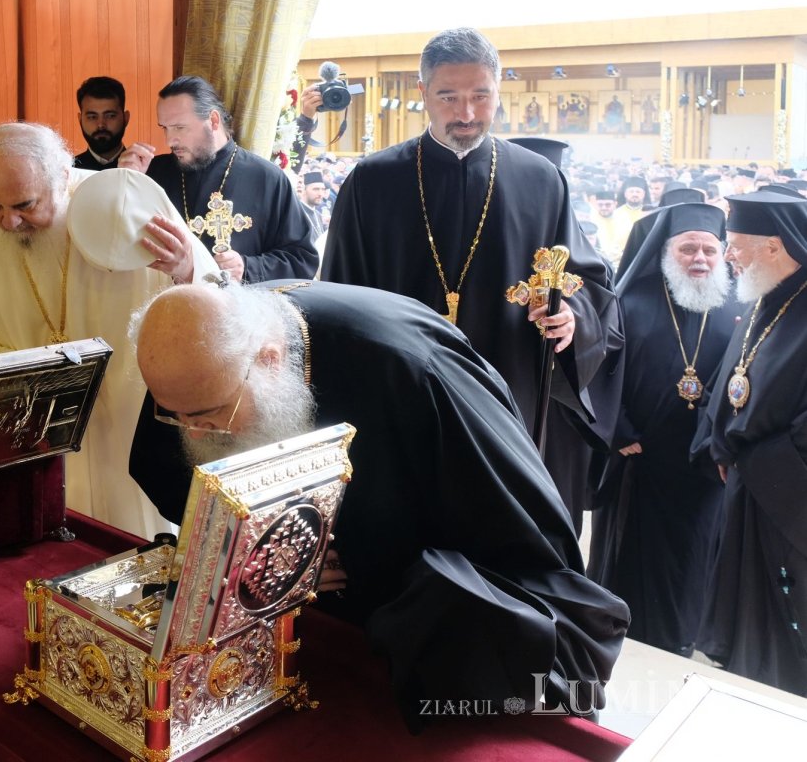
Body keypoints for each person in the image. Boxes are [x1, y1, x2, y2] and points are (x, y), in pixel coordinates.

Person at [128, 281, 629, 731]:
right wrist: (266, 551)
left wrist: (365, 564)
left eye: (210, 415)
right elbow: (178, 477)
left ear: (270, 360)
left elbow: (516, 543)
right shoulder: (196, 364)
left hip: (402, 638)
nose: (193, 433)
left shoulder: (413, 372)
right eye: (173, 415)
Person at [321, 27, 620, 533]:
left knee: (498, 536)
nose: (466, 114)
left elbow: (585, 281)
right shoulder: (372, 181)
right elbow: (339, 296)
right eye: (449, 96)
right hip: (401, 393)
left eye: (480, 96)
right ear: (423, 94)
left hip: (508, 395)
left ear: (498, 92)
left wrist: (572, 319)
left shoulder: (540, 179)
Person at [0, 122, 219, 539]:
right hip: (35, 428)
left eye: (25, 204)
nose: (8, 222)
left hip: (126, 416)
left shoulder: (122, 203)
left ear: (64, 177)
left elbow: (212, 300)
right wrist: (34, 377)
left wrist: (185, 269)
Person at [588, 203, 743, 657]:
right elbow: (596, 373)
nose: (699, 258)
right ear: (665, 252)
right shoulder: (629, 304)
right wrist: (617, 430)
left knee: (693, 559)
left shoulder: (736, 309)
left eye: (709, 250)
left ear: (722, 254)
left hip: (701, 463)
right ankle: (624, 636)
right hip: (641, 456)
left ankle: (684, 637)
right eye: (688, 248)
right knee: (634, 559)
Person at [693, 190, 807, 694]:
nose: (728, 255)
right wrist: (721, 444)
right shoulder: (768, 296)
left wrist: (756, 457)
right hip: (748, 487)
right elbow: (730, 382)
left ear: (775, 247)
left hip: (788, 494)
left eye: (736, 245)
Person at [119, 75, 318, 283]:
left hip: (237, 311)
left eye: (179, 127)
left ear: (213, 121)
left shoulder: (267, 178)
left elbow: (302, 259)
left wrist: (247, 267)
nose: (170, 140)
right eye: (164, 128)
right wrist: (126, 183)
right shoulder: (152, 173)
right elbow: (118, 245)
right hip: (162, 305)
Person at [72, 76, 135, 171]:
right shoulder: (67, 173)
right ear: (80, 120)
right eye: (92, 117)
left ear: (126, 118)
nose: (101, 124)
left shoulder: (146, 172)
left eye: (110, 116)